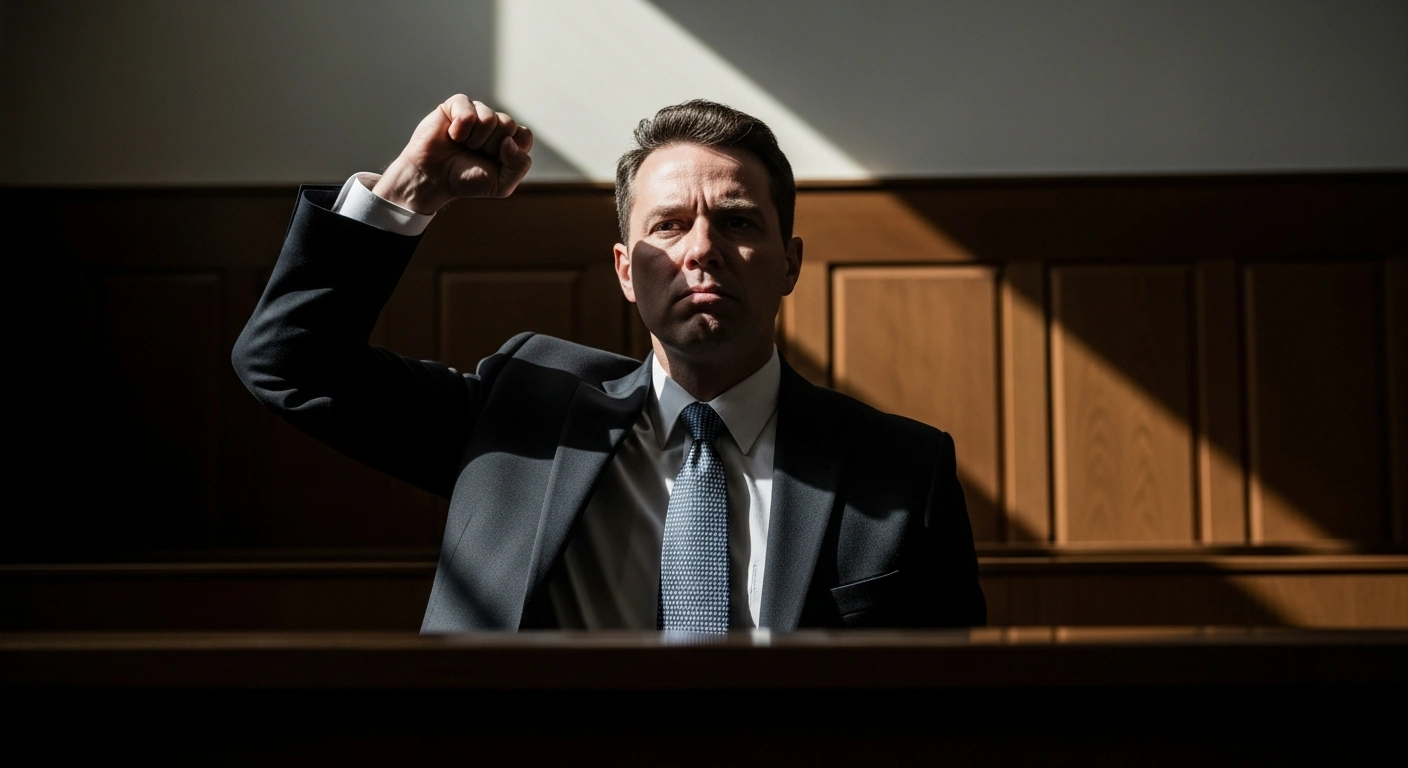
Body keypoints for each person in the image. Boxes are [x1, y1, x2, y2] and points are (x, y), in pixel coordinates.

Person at [233, 95, 984, 633]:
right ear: (627, 271)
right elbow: (288, 365)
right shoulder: (523, 411)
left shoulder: (901, 468)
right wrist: (406, 193)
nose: (701, 250)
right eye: (669, 225)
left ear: (788, 263)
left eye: (738, 222)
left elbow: (953, 714)